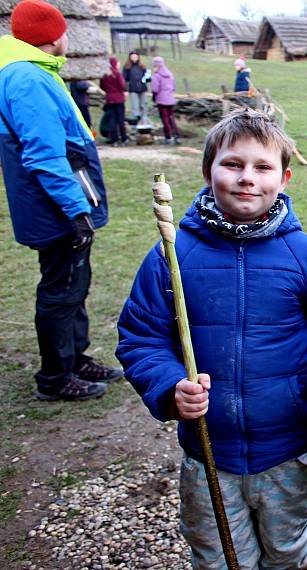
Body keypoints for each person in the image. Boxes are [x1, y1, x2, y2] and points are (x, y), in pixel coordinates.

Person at [116, 107, 307, 569]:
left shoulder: (305, 257)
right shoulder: (172, 255)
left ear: (285, 177)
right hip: (208, 451)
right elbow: (142, 337)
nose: (246, 179)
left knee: (289, 551)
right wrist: (168, 386)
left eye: (262, 167)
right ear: (208, 170)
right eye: (232, 164)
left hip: (287, 450)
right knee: (219, 555)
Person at [0, 0, 121, 401]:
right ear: (52, 37)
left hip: (55, 206)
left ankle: (75, 357)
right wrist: (76, 209)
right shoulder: (27, 79)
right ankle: (55, 376)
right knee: (61, 288)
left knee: (74, 282)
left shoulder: (30, 71)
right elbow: (45, 154)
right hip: (54, 210)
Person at [150, 55, 179, 144]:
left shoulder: (156, 75)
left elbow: (155, 89)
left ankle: (168, 136)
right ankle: (177, 135)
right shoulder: (170, 74)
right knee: (171, 117)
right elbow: (174, 86)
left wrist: (154, 97)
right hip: (170, 98)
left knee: (165, 118)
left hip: (161, 99)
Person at [99, 57, 128, 146]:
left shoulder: (104, 75)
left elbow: (102, 86)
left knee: (112, 120)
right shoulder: (118, 74)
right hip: (119, 99)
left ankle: (114, 139)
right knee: (120, 120)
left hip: (109, 99)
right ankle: (124, 138)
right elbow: (122, 86)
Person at [123, 50, 150, 125]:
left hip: (142, 88)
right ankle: (136, 120)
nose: (134, 58)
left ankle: (144, 119)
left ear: (138, 57)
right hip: (133, 89)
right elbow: (124, 79)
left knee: (143, 104)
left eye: (135, 56)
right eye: (133, 57)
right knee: (135, 105)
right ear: (130, 58)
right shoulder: (127, 67)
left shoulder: (142, 66)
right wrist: (125, 89)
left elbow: (147, 76)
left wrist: (147, 81)